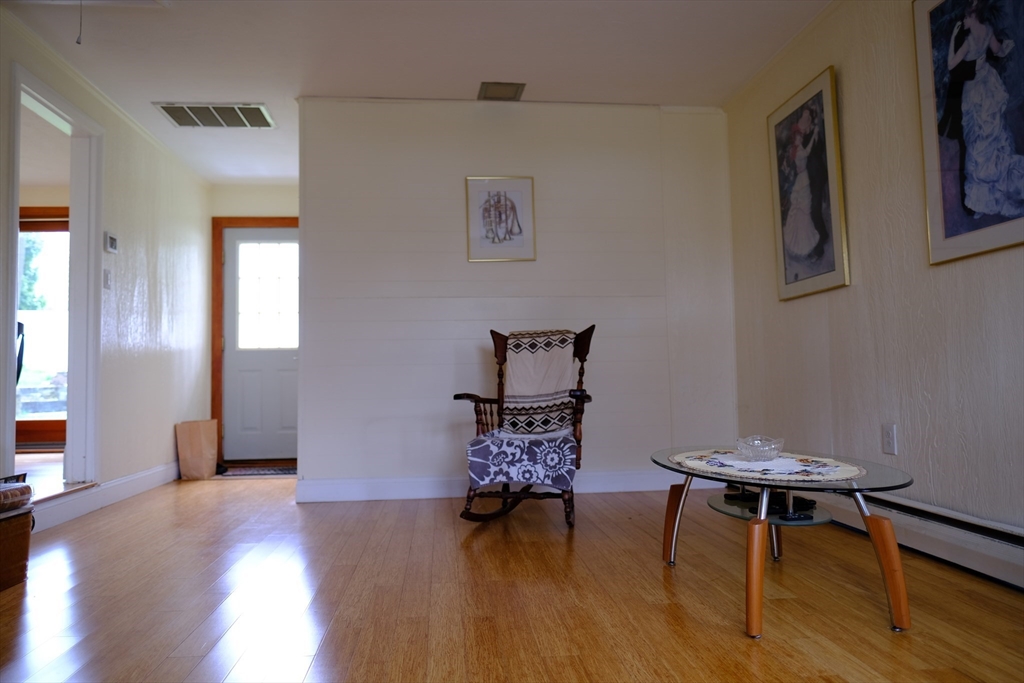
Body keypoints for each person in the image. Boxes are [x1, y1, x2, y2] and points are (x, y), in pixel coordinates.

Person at [948, 0, 1024, 219]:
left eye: (966, 17)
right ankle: (995, 186)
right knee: (992, 135)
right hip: (989, 84)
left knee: (977, 142)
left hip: (975, 90)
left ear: (973, 17)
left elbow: (952, 64)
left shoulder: (969, 40)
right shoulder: (988, 30)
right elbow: (998, 51)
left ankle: (983, 197)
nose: (964, 21)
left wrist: (954, 38)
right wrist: (1004, 47)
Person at [940, 10, 978, 216]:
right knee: (966, 152)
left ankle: (970, 198)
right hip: (965, 107)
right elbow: (953, 69)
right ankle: (967, 199)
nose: (964, 20)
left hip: (973, 103)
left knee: (971, 151)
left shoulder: (975, 38)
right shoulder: (965, 40)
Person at [782, 107, 823, 261]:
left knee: (803, 211)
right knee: (804, 211)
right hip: (803, 180)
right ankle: (803, 242)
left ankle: (803, 240)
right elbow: (807, 151)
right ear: (796, 139)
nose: (800, 137)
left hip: (802, 179)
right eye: (798, 136)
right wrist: (815, 134)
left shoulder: (795, 149)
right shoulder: (799, 150)